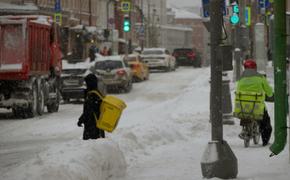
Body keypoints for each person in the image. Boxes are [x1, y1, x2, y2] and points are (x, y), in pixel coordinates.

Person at [236, 59, 274, 146]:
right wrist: (270, 94)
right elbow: (268, 91)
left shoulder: (241, 78)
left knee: (245, 112)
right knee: (266, 124)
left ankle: (244, 129)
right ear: (255, 68)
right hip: (257, 106)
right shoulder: (260, 77)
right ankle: (265, 141)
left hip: (243, 106)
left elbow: (238, 90)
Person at [77, 73, 105, 140]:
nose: (86, 85)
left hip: (92, 127)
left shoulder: (92, 95)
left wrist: (81, 120)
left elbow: (88, 110)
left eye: (87, 83)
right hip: (97, 126)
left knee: (92, 147)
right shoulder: (97, 93)